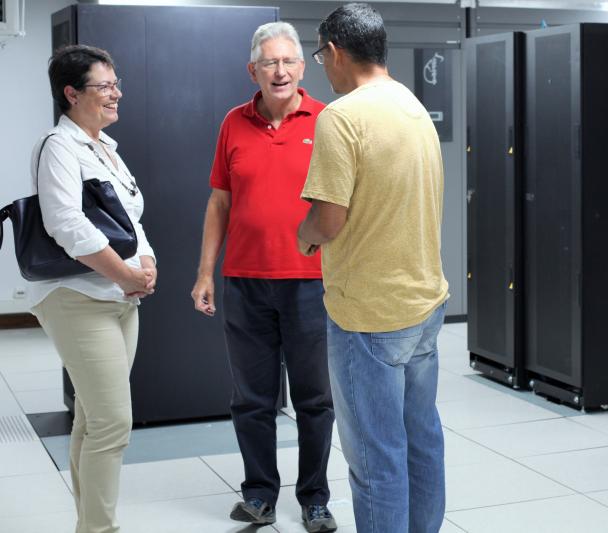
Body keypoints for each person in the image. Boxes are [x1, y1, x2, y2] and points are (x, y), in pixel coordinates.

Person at [297, 4, 450, 533]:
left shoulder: (341, 117)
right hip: (424, 305)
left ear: (336, 52)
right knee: (422, 443)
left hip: (368, 315)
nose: (322, 67)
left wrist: (304, 234)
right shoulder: (411, 105)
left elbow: (329, 219)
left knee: (375, 460)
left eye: (320, 55)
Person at [191, 21, 337, 533]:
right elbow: (220, 202)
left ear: (302, 67)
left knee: (314, 399)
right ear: (252, 69)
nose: (279, 71)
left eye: (288, 61)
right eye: (268, 62)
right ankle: (259, 494)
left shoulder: (328, 121)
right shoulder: (233, 123)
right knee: (251, 399)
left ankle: (315, 498)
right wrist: (205, 272)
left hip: (311, 284)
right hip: (246, 282)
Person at [30, 45, 157, 533]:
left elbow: (130, 219)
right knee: (112, 424)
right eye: (104, 86)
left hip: (119, 300)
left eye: (115, 83)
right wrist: (124, 274)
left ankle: (89, 526)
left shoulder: (106, 147)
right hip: (80, 300)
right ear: (71, 93)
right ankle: (101, 529)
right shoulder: (59, 146)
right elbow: (67, 225)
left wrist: (146, 262)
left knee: (92, 418)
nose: (116, 93)